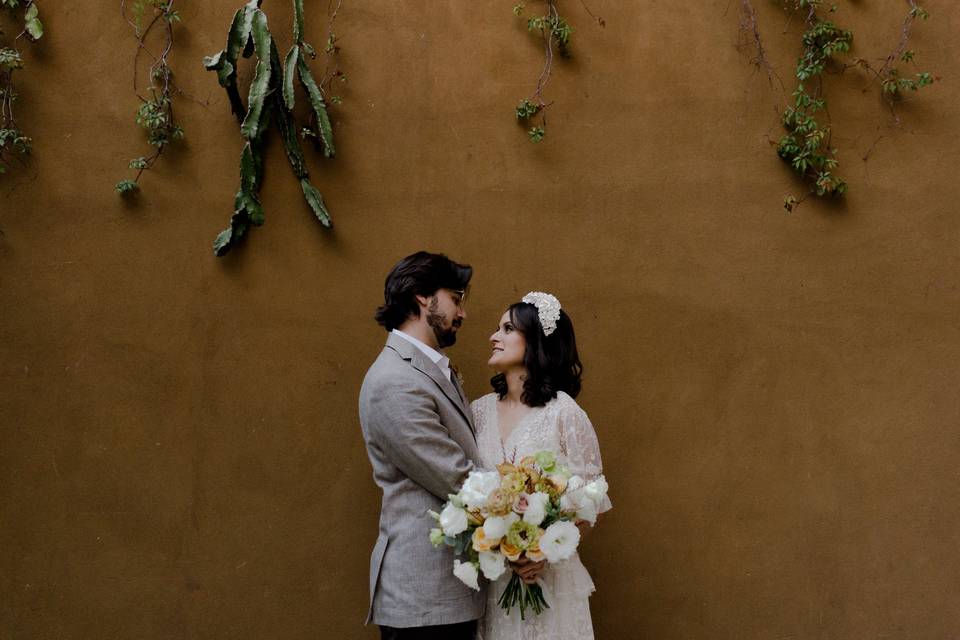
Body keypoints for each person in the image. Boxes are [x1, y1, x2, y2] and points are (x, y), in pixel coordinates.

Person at [358, 251, 485, 640]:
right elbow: (457, 478)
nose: (462, 313)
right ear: (422, 297)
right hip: (423, 602)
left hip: (447, 597)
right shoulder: (394, 381)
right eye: (457, 298)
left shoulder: (429, 370)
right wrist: (532, 510)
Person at [472, 292, 611, 640]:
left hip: (548, 579)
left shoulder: (564, 413)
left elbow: (593, 502)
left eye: (507, 329)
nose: (494, 336)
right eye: (497, 328)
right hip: (494, 578)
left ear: (534, 342)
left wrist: (543, 553)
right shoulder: (477, 412)